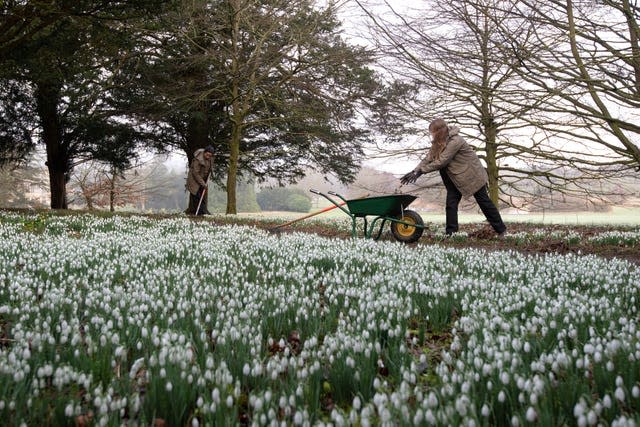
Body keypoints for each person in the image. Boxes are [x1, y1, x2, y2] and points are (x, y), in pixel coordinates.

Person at [400, 118, 506, 236]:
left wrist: (421, 172)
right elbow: (428, 158)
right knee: (451, 204)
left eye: (433, 132)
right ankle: (451, 233)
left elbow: (442, 161)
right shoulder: (438, 142)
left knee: (484, 202)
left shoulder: (456, 141)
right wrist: (414, 171)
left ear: (439, 131)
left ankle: (501, 230)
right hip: (454, 177)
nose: (432, 135)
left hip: (472, 176)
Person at [186, 145, 215, 215]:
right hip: (194, 180)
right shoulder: (198, 160)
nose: (208, 157)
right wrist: (203, 183)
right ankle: (199, 212)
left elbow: (210, 167)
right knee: (197, 197)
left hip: (203, 180)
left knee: (203, 196)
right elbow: (195, 173)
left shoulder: (210, 158)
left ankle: (203, 211)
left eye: (210, 156)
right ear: (205, 152)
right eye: (207, 155)